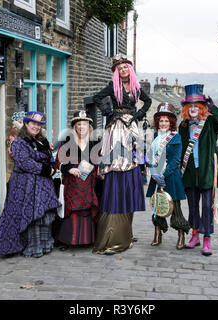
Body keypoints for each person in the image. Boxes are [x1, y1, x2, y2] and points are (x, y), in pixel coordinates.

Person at [92, 53, 152, 255]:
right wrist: (108, 112)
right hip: (117, 126)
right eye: (120, 68)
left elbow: (148, 101)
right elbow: (96, 98)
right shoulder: (112, 87)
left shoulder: (136, 88)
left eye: (126, 67)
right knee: (116, 157)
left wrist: (139, 115)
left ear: (130, 69)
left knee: (133, 156)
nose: (123, 70)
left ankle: (126, 229)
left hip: (131, 127)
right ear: (116, 71)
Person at [0, 111, 61, 258]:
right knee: (27, 215)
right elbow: (26, 163)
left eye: (39, 125)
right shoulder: (19, 142)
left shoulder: (43, 141)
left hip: (43, 186)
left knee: (42, 215)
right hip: (25, 186)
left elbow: (50, 156)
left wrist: (53, 167)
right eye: (33, 123)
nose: (36, 127)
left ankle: (43, 245)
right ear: (26, 124)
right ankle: (28, 246)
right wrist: (47, 170)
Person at [179, 84, 218, 256]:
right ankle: (194, 235)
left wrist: (213, 108)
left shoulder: (209, 123)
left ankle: (207, 239)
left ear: (202, 107)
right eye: (190, 106)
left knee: (207, 207)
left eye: (197, 105)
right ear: (186, 108)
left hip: (207, 171)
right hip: (189, 172)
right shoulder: (183, 126)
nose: (193, 108)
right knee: (193, 206)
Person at [146, 103, 190, 249]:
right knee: (157, 207)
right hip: (156, 177)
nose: (163, 123)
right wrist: (153, 172)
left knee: (175, 208)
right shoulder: (154, 138)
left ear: (171, 122)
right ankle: (157, 235)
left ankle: (181, 236)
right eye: (161, 120)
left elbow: (176, 160)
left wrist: (163, 175)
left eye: (166, 121)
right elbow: (150, 157)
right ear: (157, 122)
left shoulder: (175, 138)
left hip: (170, 177)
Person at [55, 110, 100, 250]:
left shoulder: (95, 143)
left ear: (89, 127)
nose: (81, 127)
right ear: (74, 127)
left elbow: (100, 161)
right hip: (72, 181)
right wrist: (69, 169)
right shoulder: (68, 142)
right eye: (78, 124)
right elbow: (59, 160)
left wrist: (97, 169)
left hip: (89, 181)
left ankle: (88, 239)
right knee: (73, 208)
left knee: (87, 207)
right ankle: (70, 240)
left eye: (84, 124)